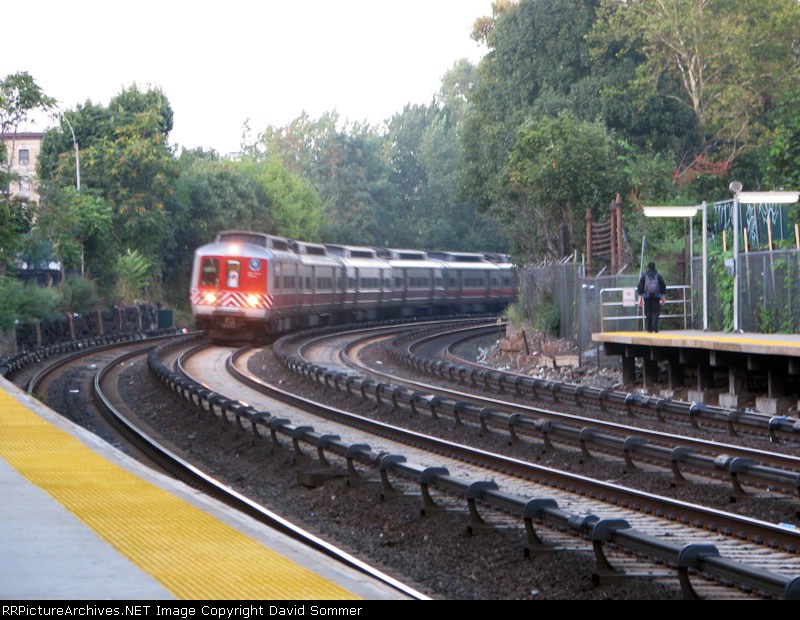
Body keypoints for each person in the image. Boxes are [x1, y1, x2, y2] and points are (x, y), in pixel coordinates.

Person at [637, 261, 666, 333]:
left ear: (648, 267)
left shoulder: (644, 276)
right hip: (656, 296)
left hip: (646, 296)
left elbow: (640, 286)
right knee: (655, 312)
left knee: (648, 312)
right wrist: (663, 296)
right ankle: (655, 326)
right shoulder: (658, 276)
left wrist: (640, 297)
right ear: (654, 267)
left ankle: (649, 328)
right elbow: (663, 286)